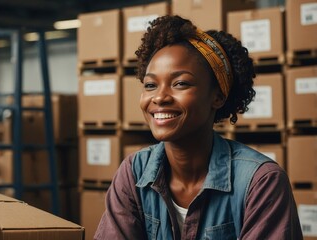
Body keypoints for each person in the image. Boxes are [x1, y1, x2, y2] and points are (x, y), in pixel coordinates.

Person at [94, 15, 303, 239]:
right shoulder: (133, 173)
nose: (160, 97)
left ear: (218, 96)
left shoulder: (261, 182)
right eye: (150, 85)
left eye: (180, 83)